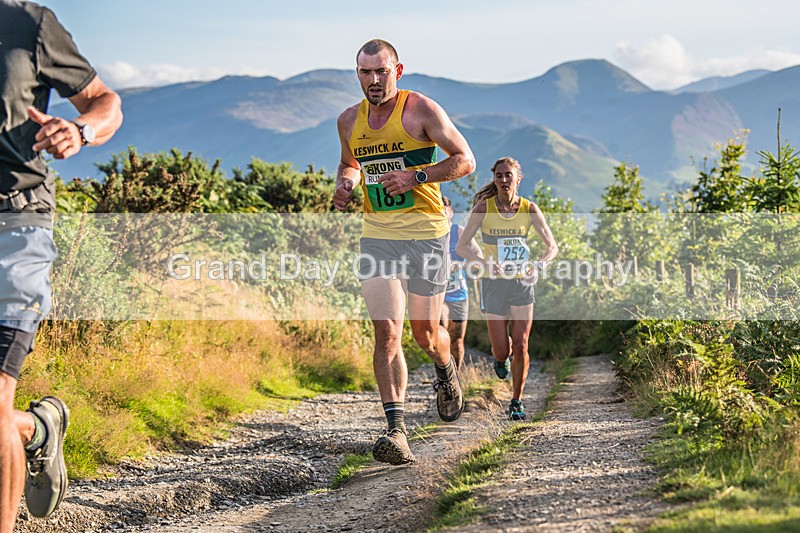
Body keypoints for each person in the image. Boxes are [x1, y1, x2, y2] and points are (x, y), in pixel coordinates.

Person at [0, 2, 123, 529]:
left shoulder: (26, 23)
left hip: (16, 223)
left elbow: (104, 101)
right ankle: (35, 431)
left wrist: (81, 131)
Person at [333, 39, 476, 465]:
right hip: (377, 234)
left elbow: (465, 160)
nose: (373, 81)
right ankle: (396, 432)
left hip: (427, 234)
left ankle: (446, 370)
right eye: (364, 72)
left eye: (380, 72)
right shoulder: (347, 120)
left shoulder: (421, 110)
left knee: (425, 334)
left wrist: (416, 175)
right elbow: (350, 163)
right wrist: (346, 185)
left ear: (397, 71)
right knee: (387, 333)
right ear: (357, 73)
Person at [456, 157, 558, 421]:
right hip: (493, 283)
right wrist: (483, 262)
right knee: (503, 349)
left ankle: (516, 400)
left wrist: (539, 264)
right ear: (494, 179)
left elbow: (552, 247)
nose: (503, 180)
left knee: (522, 343)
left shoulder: (530, 209)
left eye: (508, 175)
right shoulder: (483, 209)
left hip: (522, 282)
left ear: (518, 179)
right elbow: (462, 247)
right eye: (499, 175)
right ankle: (501, 360)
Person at [439, 196, 474, 371]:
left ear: (451, 213)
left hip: (459, 293)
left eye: (445, 211)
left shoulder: (458, 232)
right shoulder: (428, 234)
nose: (442, 214)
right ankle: (443, 376)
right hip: (438, 294)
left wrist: (459, 264)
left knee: (457, 338)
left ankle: (456, 378)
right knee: (441, 330)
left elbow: (477, 258)